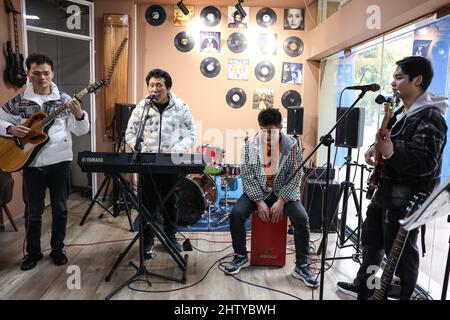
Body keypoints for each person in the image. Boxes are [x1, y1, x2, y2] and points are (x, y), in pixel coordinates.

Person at [336, 56, 448, 300]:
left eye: (399, 77)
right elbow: (390, 141)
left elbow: (426, 163)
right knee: (371, 241)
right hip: (386, 192)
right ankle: (366, 287)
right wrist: (374, 149)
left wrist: (390, 152)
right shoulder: (402, 111)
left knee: (403, 255)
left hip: (407, 200)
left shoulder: (430, 117)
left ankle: (404, 295)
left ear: (417, 80)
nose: (393, 82)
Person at [0, 53, 90, 271]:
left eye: (46, 73)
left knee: (60, 208)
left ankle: (58, 249)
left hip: (60, 162)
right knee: (33, 211)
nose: (42, 78)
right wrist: (10, 128)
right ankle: (33, 252)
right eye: (36, 73)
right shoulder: (19, 101)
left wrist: (79, 116)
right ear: (29, 75)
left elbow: (81, 131)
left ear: (53, 74)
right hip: (31, 164)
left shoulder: (65, 100)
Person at [224, 108, 319, 288]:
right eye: (263, 130)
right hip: (257, 192)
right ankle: (241, 256)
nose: (267, 135)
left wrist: (281, 201)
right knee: (236, 214)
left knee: (301, 218)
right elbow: (247, 176)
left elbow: (296, 177)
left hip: (284, 193)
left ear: (280, 127)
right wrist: (259, 201)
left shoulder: (293, 147)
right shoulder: (249, 147)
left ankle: (302, 266)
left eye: (271, 131)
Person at [125, 68, 196, 259]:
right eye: (151, 85)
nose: (155, 89)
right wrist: (138, 148)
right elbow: (130, 133)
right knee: (146, 203)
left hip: (171, 162)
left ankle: (170, 236)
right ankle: (147, 239)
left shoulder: (181, 107)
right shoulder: (142, 107)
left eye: (159, 85)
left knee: (171, 202)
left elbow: (191, 134)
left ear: (168, 88)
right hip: (147, 162)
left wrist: (178, 149)